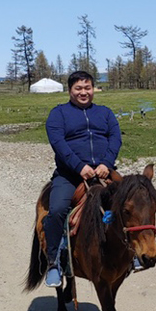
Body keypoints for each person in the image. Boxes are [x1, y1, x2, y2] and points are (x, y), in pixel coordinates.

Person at [44, 71, 122, 287]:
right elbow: (58, 144)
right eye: (78, 88)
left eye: (87, 88)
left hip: (104, 171)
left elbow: (115, 138)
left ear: (93, 89)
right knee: (58, 210)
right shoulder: (58, 114)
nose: (83, 92)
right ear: (70, 90)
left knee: (133, 201)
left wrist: (106, 163)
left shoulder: (105, 113)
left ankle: (133, 251)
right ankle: (53, 263)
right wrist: (80, 167)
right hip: (70, 175)